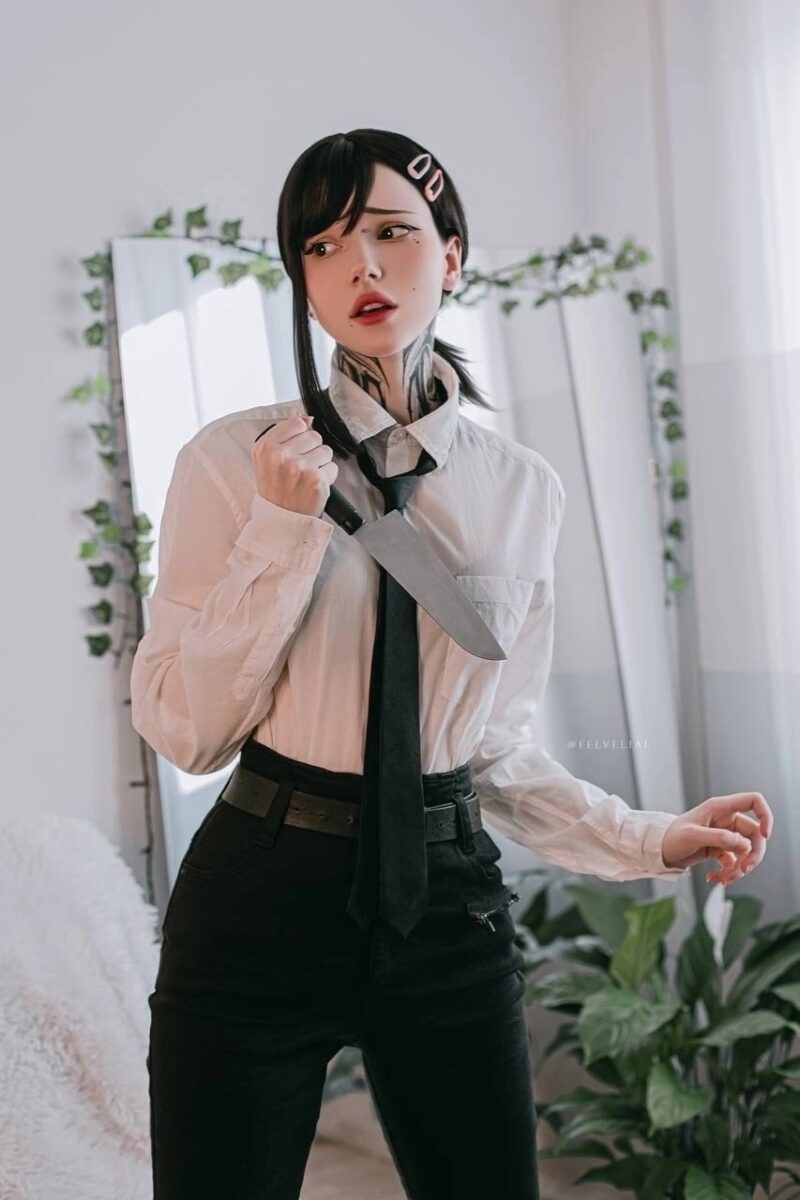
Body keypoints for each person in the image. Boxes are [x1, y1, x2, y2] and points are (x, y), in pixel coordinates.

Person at [131, 128, 773, 1200]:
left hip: (447, 910)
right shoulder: (232, 463)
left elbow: (489, 746)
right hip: (256, 900)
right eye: (325, 246)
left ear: (453, 255)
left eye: (392, 233)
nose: (362, 267)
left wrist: (646, 837)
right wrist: (280, 533)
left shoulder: (521, 490)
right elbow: (185, 731)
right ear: (302, 283)